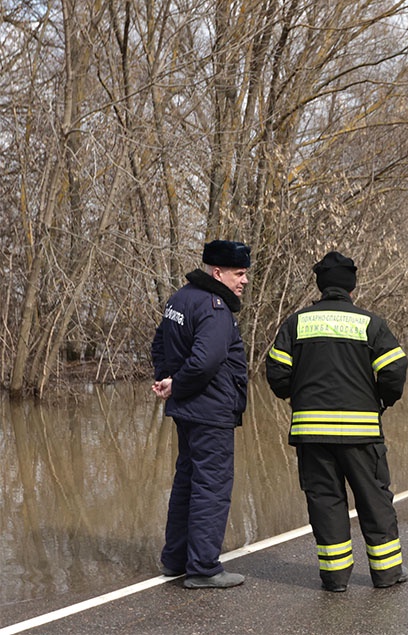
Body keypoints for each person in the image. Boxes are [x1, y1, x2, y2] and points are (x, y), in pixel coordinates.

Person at [266, 250, 408, 592]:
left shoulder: (296, 323)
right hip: (361, 434)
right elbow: (394, 370)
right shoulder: (369, 323)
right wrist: (383, 401)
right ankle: (387, 576)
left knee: (325, 502)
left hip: (311, 434)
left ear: (320, 284)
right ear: (352, 286)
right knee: (374, 501)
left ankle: (335, 579)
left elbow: (275, 372)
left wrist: (295, 394)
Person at [151, 239, 251, 589]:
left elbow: (159, 342)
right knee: (211, 486)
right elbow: (207, 360)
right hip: (210, 410)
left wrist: (166, 379)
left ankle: (175, 560)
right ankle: (204, 568)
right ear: (217, 272)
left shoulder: (178, 299)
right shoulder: (215, 307)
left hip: (188, 410)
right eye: (239, 273)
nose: (244, 280)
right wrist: (175, 384)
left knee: (187, 482)